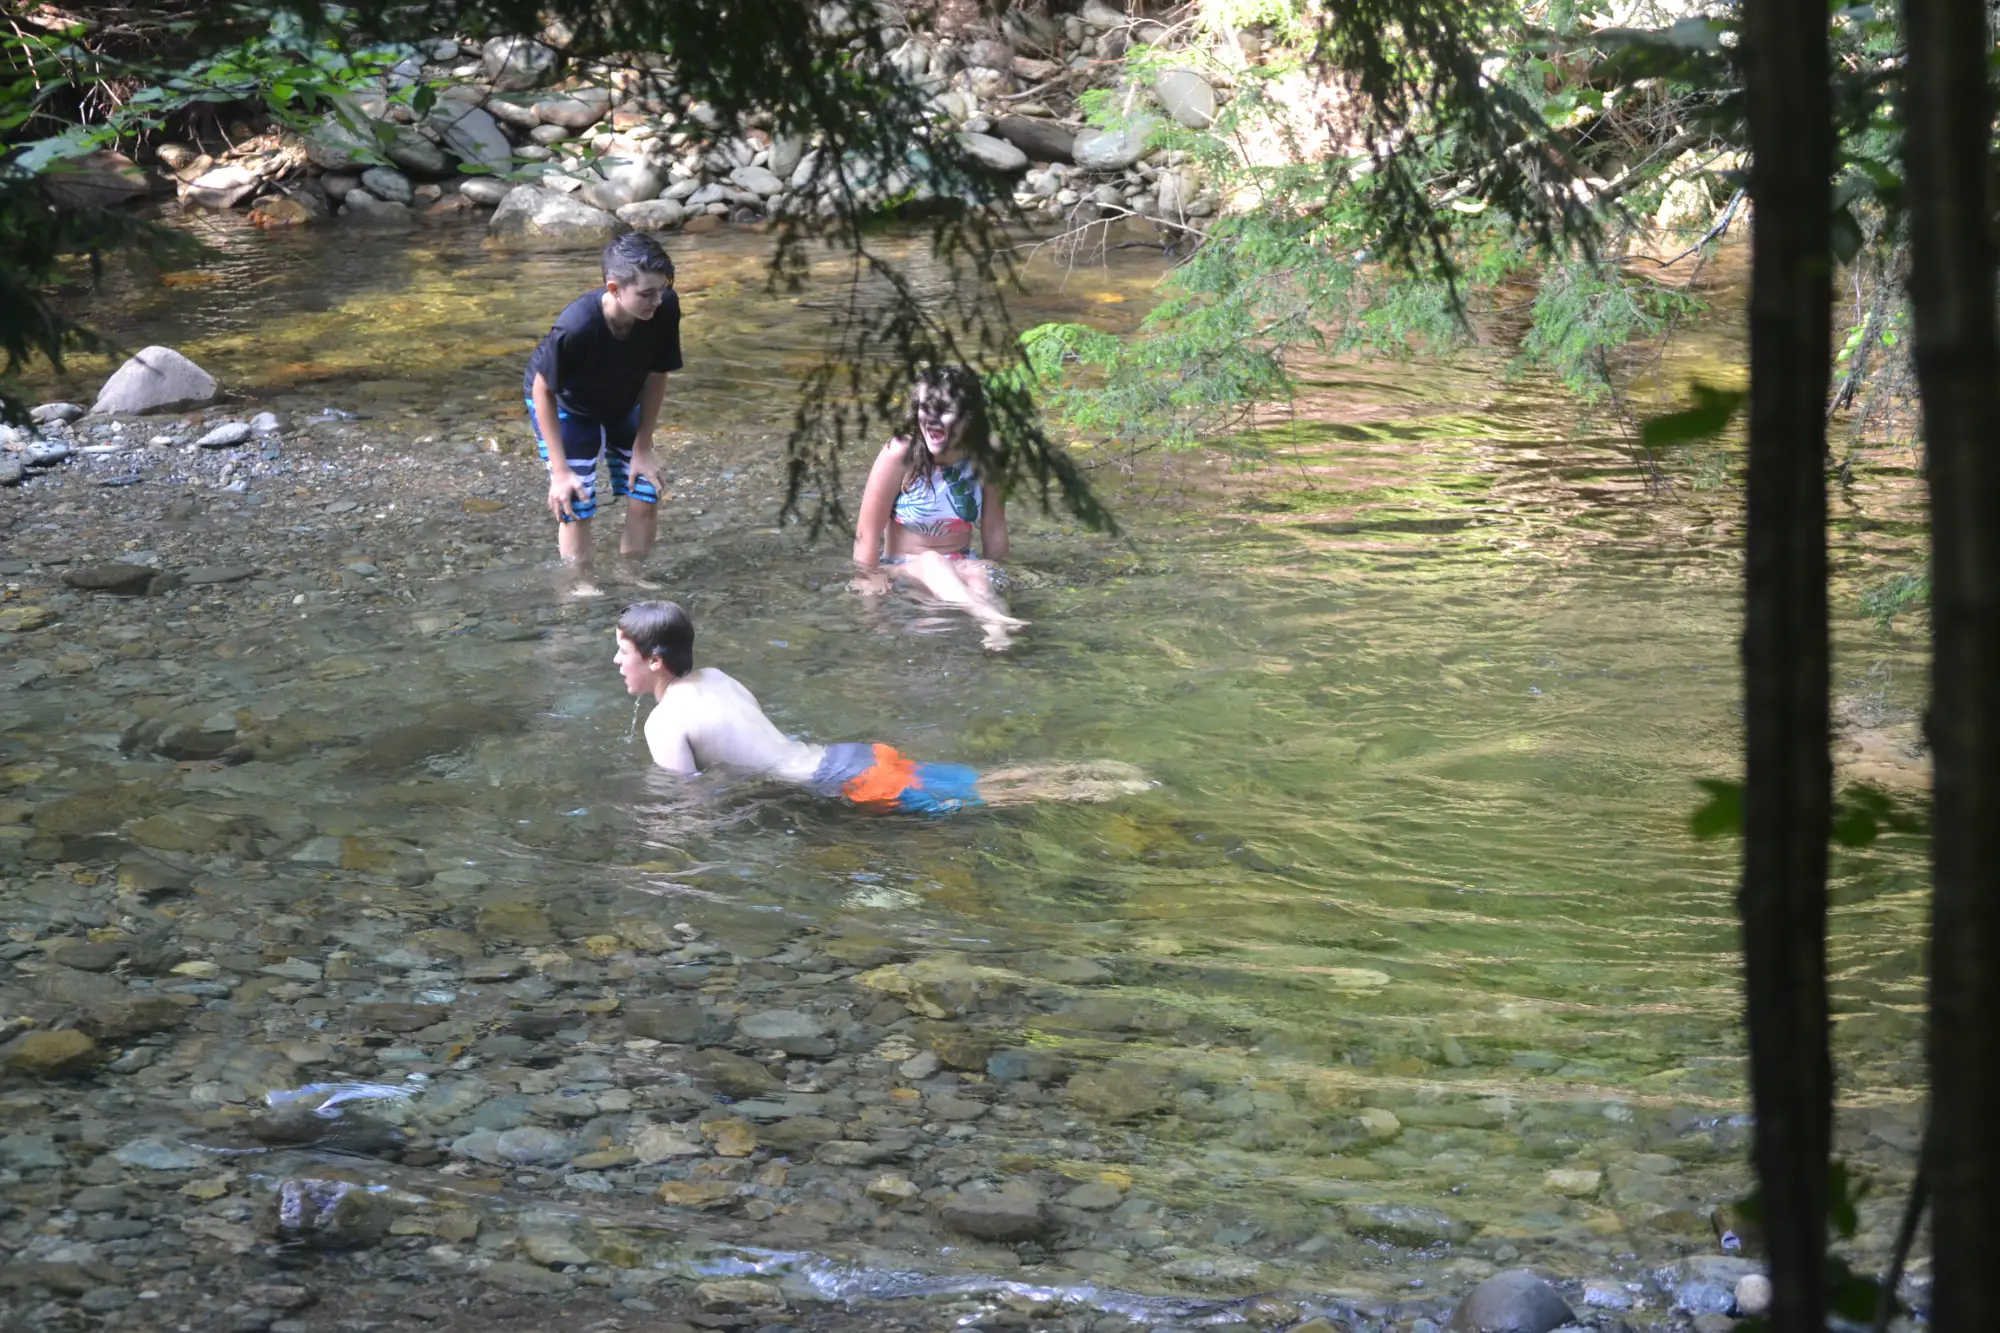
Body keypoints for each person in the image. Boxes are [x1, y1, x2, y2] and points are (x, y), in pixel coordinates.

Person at [613, 601, 1149, 812]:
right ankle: (1096, 772)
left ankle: (1099, 789)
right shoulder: (715, 677)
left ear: (655, 661)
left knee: (986, 800)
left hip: (840, 782)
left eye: (623, 651)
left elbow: (686, 808)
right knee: (976, 782)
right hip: (847, 755)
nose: (616, 661)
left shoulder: (664, 722)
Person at [524, 233, 683, 595]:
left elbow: (658, 373)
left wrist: (643, 446)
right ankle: (580, 585)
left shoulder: (664, 308)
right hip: (567, 406)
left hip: (622, 399)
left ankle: (632, 575)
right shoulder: (577, 325)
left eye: (662, 290)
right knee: (576, 500)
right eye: (647, 294)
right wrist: (560, 473)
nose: (657, 301)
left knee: (646, 488)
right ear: (614, 288)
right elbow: (542, 390)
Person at [851, 364, 1025, 650]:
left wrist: (1000, 569)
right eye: (924, 407)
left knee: (980, 575)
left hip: (962, 563)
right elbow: (866, 534)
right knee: (933, 560)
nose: (931, 418)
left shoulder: (986, 455)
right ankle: (987, 615)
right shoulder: (900, 454)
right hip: (905, 568)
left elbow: (994, 527)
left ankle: (997, 633)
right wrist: (868, 588)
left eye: (943, 410)